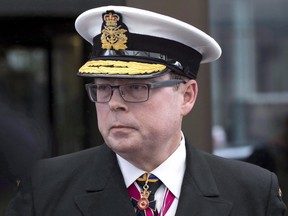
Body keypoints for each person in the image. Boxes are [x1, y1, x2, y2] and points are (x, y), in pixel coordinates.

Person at [5, 5, 286, 216]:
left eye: (137, 88)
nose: (114, 102)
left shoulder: (252, 192)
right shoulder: (45, 187)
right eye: (103, 88)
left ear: (187, 96)